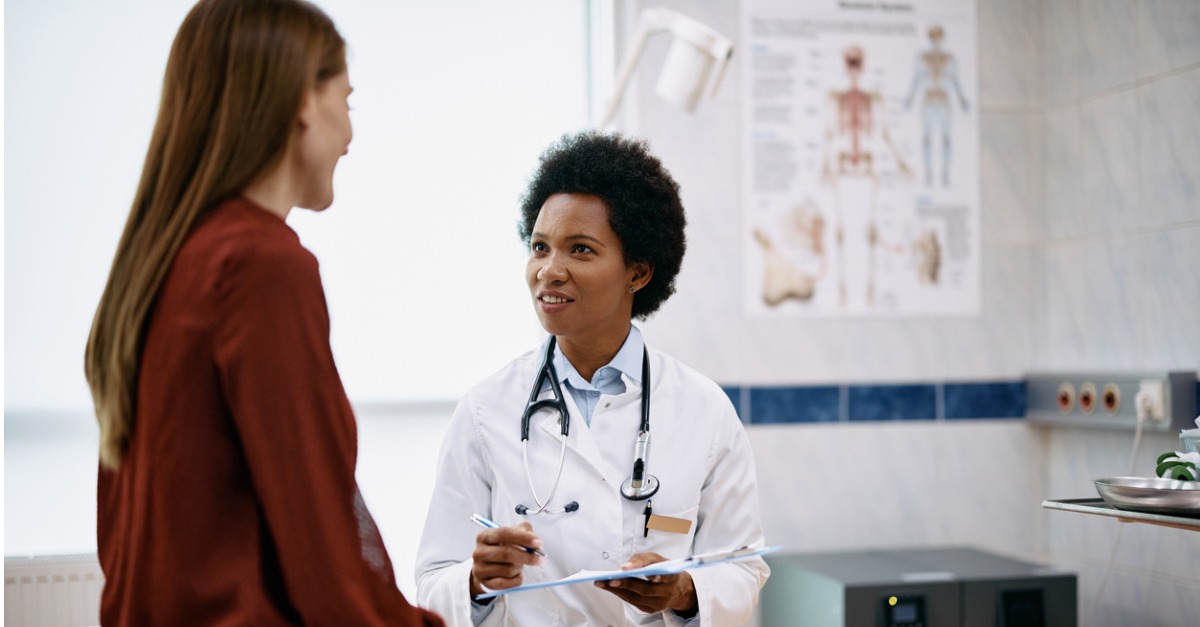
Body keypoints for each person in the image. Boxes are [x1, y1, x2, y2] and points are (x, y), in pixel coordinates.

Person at [83, 1, 444, 624]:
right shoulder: (261, 266)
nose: (352, 137)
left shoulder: (166, 261)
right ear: (305, 97)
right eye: (348, 101)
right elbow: (322, 547)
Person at [416, 131, 769, 626]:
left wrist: (683, 590)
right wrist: (476, 581)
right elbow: (433, 580)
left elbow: (742, 567)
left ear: (638, 273)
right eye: (540, 247)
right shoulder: (485, 410)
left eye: (579, 249)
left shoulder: (703, 410)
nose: (549, 271)